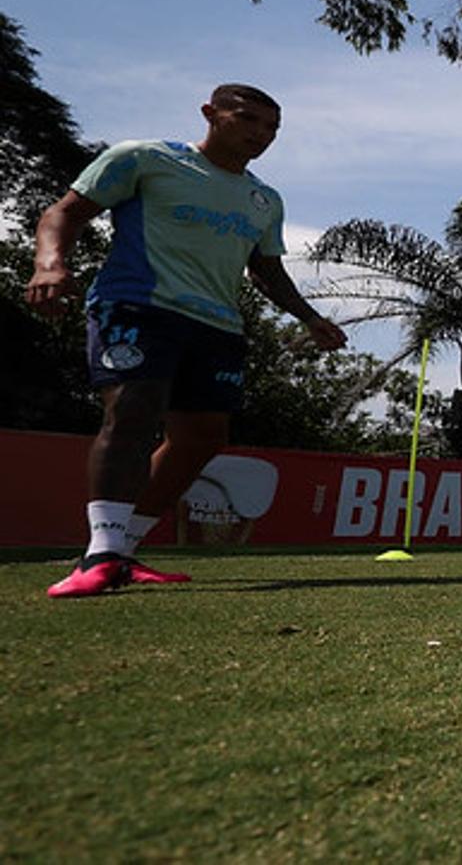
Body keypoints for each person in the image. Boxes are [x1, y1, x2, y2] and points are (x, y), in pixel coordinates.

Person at [26, 84, 347, 598]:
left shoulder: (264, 199)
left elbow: (265, 270)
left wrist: (310, 317)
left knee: (202, 437)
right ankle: (101, 552)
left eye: (270, 128)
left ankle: (122, 552)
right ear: (211, 114)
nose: (259, 134)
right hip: (138, 305)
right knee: (134, 409)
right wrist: (50, 265)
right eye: (247, 119)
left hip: (217, 325)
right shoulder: (144, 159)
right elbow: (62, 213)